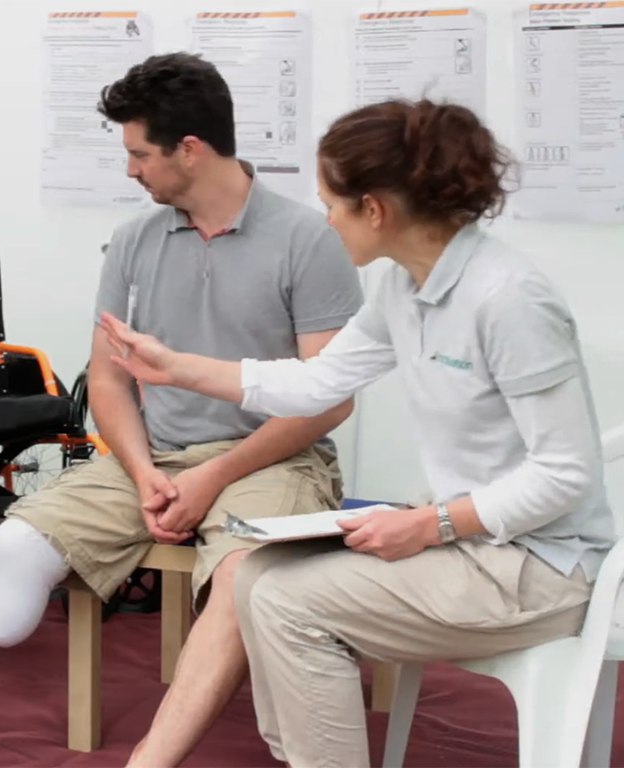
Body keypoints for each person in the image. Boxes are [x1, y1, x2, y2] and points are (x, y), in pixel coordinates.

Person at [100, 96, 617, 767]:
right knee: (258, 576)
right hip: (474, 545)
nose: (325, 220)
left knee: (290, 604)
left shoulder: (508, 299)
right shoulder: (407, 289)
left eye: (333, 203)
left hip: (544, 568)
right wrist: (177, 368)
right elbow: (316, 382)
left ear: (375, 209)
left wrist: (431, 524)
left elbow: (566, 474)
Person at [0, 52, 365, 766]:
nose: (130, 171)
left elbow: (329, 398)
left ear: (190, 150)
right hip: (149, 455)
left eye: (138, 154)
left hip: (270, 456)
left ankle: (151, 756)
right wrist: (141, 468)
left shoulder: (308, 240)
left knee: (246, 582)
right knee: (11, 556)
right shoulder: (132, 242)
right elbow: (107, 377)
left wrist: (213, 478)